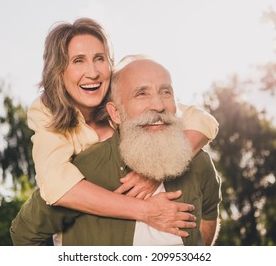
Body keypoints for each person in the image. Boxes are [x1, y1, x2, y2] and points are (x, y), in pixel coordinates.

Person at [25, 18, 219, 237]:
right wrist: (146, 211)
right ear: (59, 72)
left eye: (99, 58)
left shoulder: (122, 92)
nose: (93, 72)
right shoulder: (46, 110)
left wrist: (158, 169)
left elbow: (201, 120)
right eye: (78, 60)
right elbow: (55, 185)